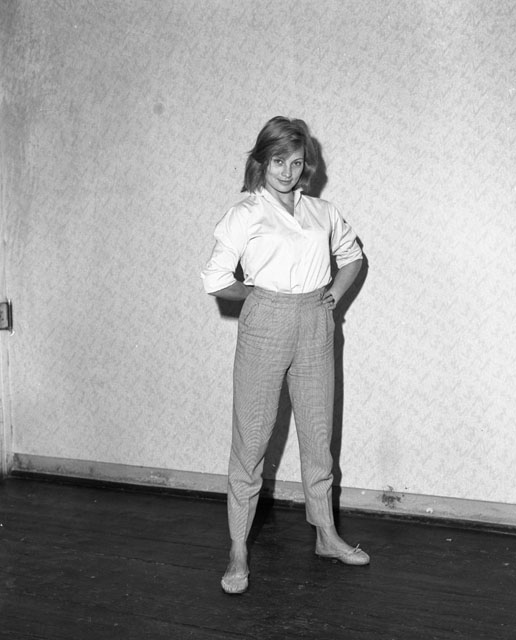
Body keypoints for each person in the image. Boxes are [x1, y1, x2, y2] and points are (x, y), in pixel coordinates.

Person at [201, 116, 368, 595]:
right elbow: (215, 279)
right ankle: (238, 548)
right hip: (266, 324)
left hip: (315, 322)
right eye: (278, 161)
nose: (287, 172)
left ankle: (326, 535)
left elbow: (352, 257)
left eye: (296, 163)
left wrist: (331, 297)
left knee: (318, 436)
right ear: (262, 161)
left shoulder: (322, 211)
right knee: (251, 440)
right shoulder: (245, 214)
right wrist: (257, 297)